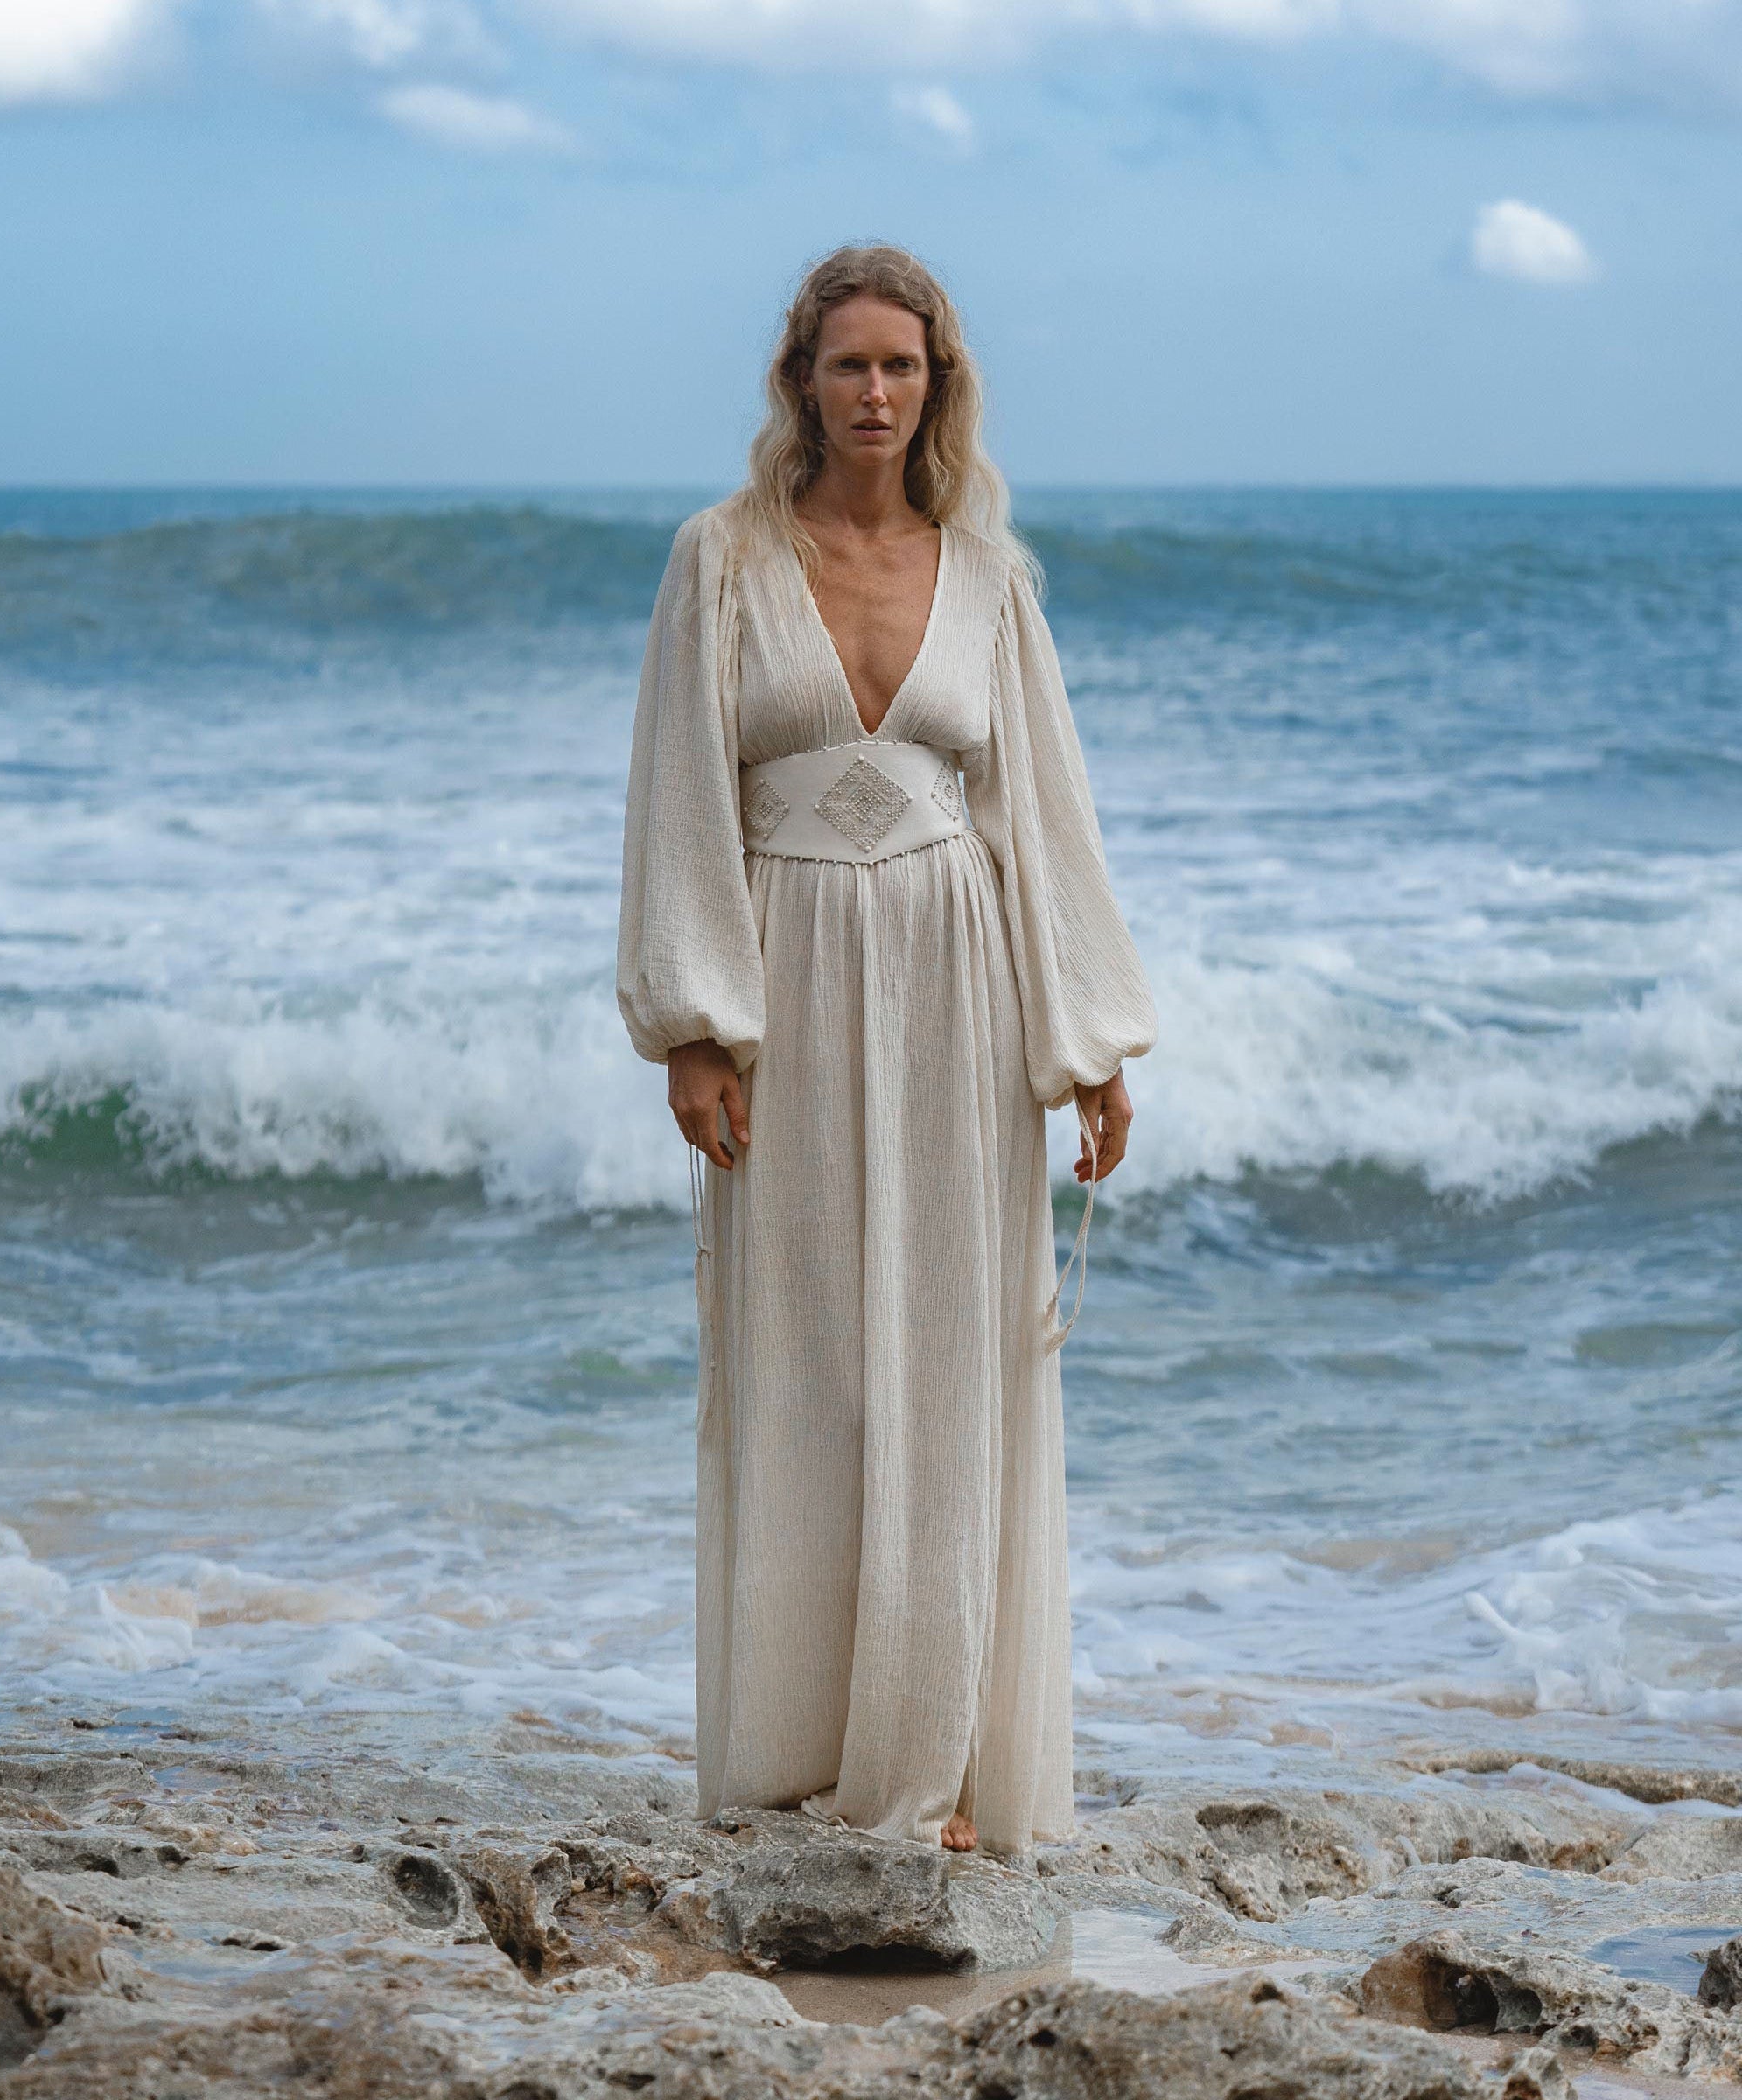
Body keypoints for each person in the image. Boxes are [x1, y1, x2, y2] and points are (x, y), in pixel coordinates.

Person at [616, 244, 1156, 1858]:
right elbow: (678, 793)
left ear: (937, 386)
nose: (873, 393)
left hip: (957, 982)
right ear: (800, 381)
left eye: (900, 368)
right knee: (802, 1367)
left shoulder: (988, 579)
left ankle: (937, 1767)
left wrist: (1090, 1043)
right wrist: (693, 1027)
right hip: (783, 974)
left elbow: (1041, 817)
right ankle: (792, 1757)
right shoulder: (719, 562)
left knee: (953, 1361)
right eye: (846, 365)